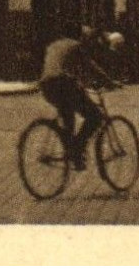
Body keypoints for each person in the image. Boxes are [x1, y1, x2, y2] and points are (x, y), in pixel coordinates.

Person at [38, 26, 115, 170]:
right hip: (63, 84)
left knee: (68, 116)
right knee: (95, 116)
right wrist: (108, 81)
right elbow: (88, 66)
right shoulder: (76, 46)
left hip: (46, 86)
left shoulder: (53, 45)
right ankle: (77, 149)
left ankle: (71, 150)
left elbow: (63, 67)